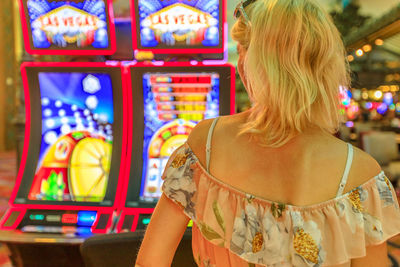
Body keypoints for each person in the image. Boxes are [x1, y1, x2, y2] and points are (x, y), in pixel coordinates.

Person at [135, 0, 400, 266]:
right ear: (326, 66)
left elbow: (149, 261)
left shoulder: (206, 144)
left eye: (242, 51)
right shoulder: (362, 177)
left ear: (252, 63)